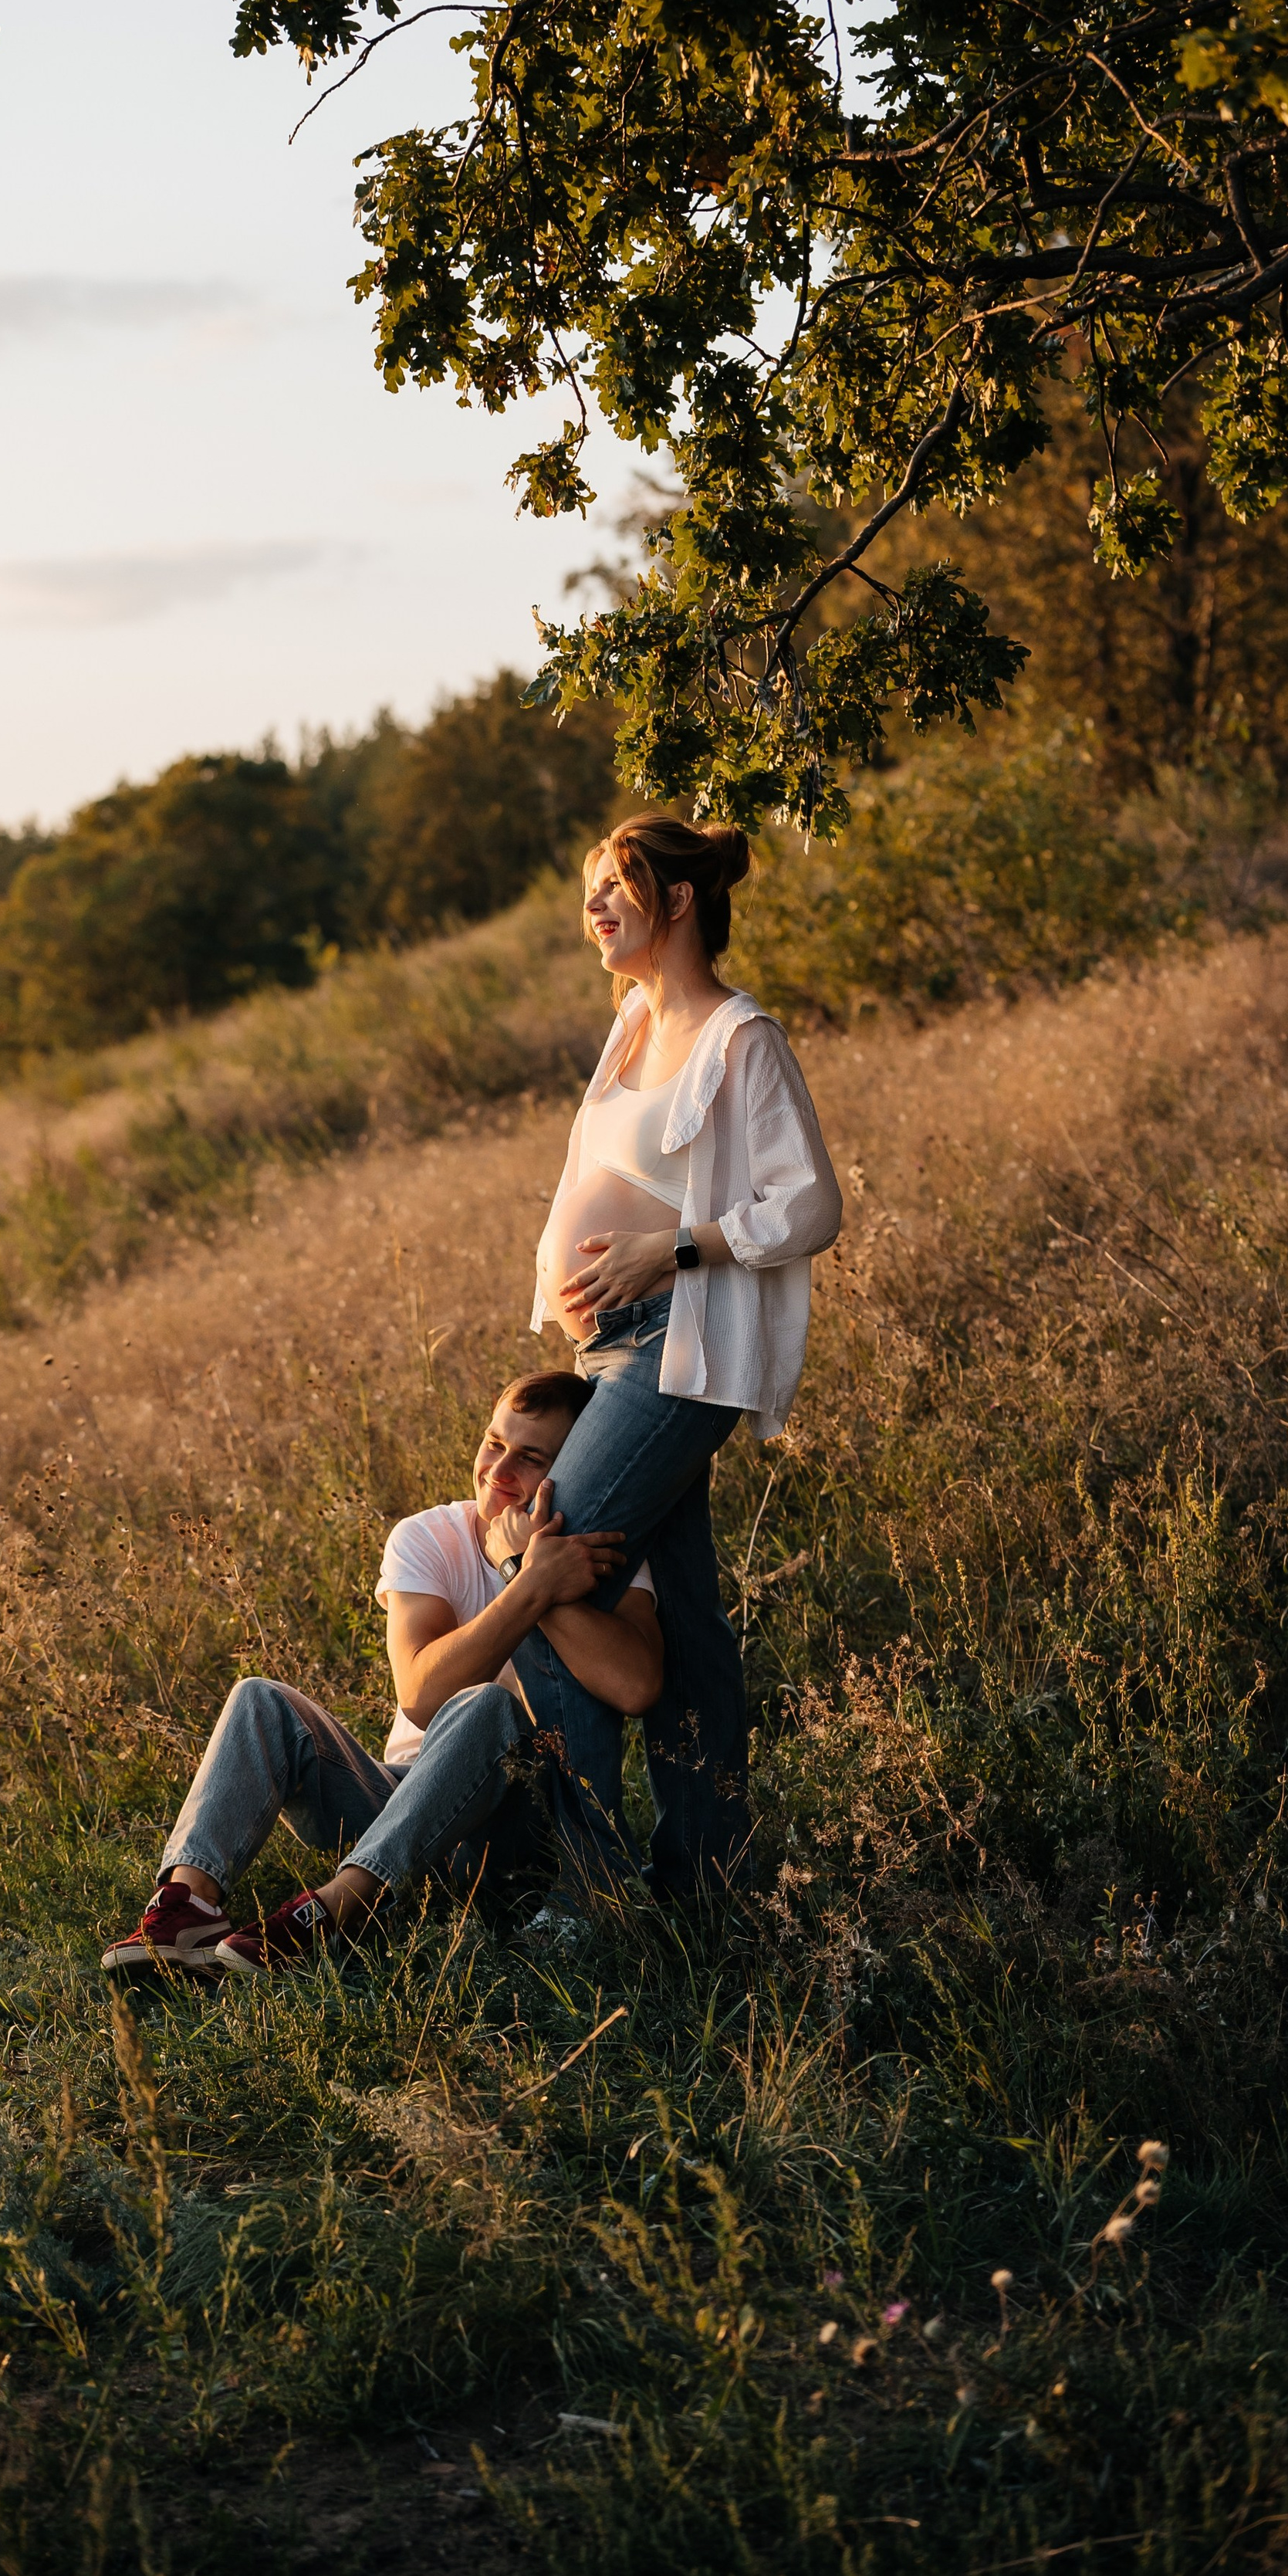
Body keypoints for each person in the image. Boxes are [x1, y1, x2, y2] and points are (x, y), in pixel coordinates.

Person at [511, 812, 843, 1910]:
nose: (596, 906)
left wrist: (670, 1249)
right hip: (607, 1352)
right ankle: (709, 1886)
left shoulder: (740, 1037)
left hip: (675, 1351)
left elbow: (809, 1205)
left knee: (549, 1552)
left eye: (620, 884)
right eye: (591, 889)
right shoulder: (628, 1027)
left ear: (681, 899)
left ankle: (585, 1893)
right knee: (687, 1620)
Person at [100, 1369, 663, 1977]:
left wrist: (534, 1567)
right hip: (397, 1798)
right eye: (494, 1444)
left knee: (487, 1707)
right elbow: (420, 1695)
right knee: (260, 1698)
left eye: (530, 1458)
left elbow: (636, 1686)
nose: (497, 1472)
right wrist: (522, 1578)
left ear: (573, 1468)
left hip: (514, 1823)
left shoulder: (596, 1555)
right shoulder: (428, 1537)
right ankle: (189, 1905)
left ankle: (339, 1910)